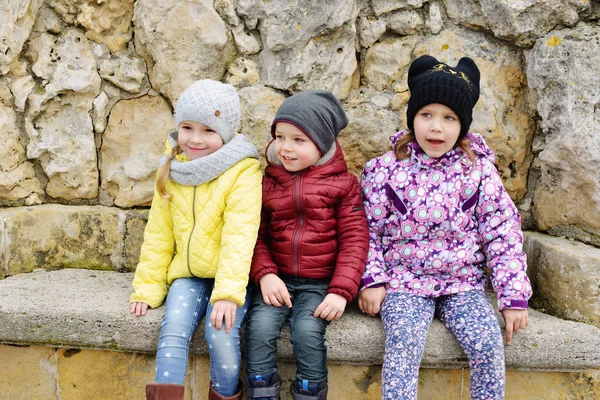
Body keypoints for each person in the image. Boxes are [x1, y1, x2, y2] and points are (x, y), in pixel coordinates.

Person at [358, 55, 532, 400]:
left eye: (449, 118)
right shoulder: (386, 170)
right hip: (404, 282)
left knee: (486, 343)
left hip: (462, 283)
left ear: (462, 124)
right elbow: (366, 230)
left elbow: (502, 233)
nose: (436, 127)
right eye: (427, 115)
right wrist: (372, 279)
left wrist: (513, 296)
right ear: (413, 119)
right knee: (403, 343)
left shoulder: (478, 172)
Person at [129, 79, 262, 400]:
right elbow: (159, 233)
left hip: (229, 280)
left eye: (208, 130)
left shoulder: (243, 171)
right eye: (187, 127)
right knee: (173, 328)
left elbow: (239, 236)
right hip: (187, 276)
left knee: (220, 334)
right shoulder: (172, 167)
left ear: (226, 132)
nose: (195, 139)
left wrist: (228, 295)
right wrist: (147, 286)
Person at [243, 90, 369, 400]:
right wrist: (264, 274)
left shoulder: (343, 185)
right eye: (280, 137)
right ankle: (261, 391)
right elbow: (253, 234)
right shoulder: (268, 181)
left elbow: (355, 240)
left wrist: (341, 292)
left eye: (298, 140)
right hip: (276, 280)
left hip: (320, 284)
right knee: (259, 329)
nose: (285, 148)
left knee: (306, 330)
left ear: (322, 143)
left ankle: (310, 393)